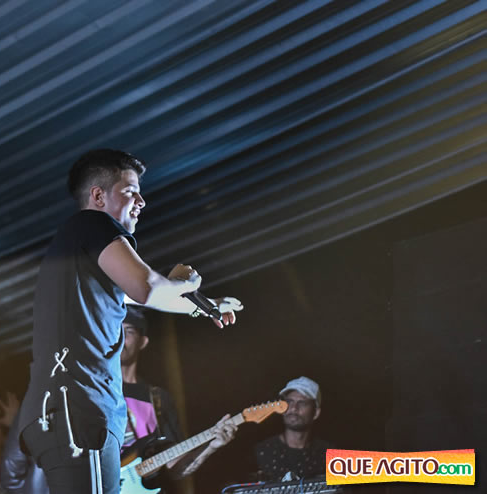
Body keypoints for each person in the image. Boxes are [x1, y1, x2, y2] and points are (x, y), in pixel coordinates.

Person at [17, 149, 243, 494]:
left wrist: (206, 306)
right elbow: (146, 287)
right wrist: (187, 283)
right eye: (130, 191)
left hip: (67, 413)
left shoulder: (81, 262)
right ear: (98, 196)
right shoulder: (91, 223)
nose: (141, 201)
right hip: (77, 410)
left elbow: (135, 294)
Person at [120, 307, 238, 492]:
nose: (120, 338)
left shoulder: (158, 398)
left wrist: (211, 447)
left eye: (128, 331)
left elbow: (175, 468)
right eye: (115, 330)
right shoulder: (93, 389)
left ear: (143, 342)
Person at [254, 376, 332, 481]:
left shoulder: (328, 454)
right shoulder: (262, 451)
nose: (294, 408)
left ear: (316, 413)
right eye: (289, 401)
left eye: (302, 403)